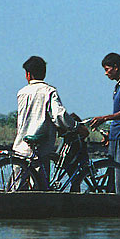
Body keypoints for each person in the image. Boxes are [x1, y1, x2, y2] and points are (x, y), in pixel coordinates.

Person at [13, 56, 76, 184]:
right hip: (41, 146)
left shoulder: (22, 92)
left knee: (18, 184)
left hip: (21, 145)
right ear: (44, 73)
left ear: (28, 74)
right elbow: (59, 115)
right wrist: (75, 126)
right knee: (40, 185)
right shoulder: (48, 91)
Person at [90, 53, 120, 194]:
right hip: (115, 134)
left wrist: (105, 118)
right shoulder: (119, 85)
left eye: (107, 69)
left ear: (116, 68)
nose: (106, 73)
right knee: (112, 174)